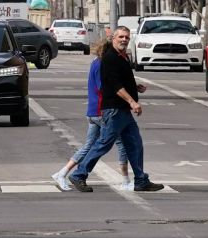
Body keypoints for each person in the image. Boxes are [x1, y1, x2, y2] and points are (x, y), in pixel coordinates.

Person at [67, 26, 163, 193]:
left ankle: (140, 180)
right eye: (121, 37)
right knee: (103, 144)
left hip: (123, 111)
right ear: (113, 38)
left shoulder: (121, 57)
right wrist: (133, 102)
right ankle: (79, 174)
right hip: (114, 110)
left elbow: (121, 80)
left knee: (135, 144)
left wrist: (135, 87)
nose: (124, 40)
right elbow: (115, 85)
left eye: (126, 37)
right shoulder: (110, 58)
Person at [52, 39, 130, 190]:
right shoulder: (102, 65)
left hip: (93, 111)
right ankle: (126, 181)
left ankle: (62, 173)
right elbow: (105, 88)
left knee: (89, 145)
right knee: (122, 143)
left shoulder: (96, 62)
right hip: (102, 111)